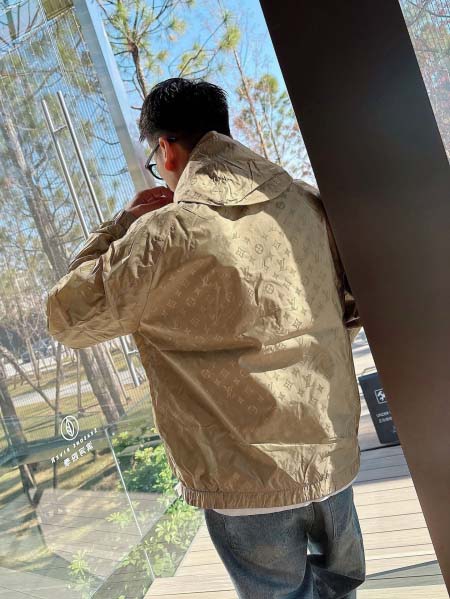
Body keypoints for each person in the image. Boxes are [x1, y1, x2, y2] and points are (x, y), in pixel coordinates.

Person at [47, 77, 366, 598]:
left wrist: (120, 225)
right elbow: (351, 304)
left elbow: (67, 316)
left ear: (167, 149)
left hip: (245, 481)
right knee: (342, 586)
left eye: (156, 160)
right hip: (332, 453)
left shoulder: (162, 235)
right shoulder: (307, 203)